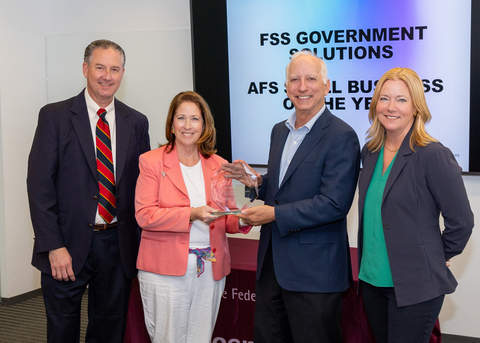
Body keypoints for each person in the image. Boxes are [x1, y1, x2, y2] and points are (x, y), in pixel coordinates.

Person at [222, 50, 361, 343]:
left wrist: (273, 214)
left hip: (315, 274)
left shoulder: (342, 135)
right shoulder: (279, 131)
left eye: (311, 78)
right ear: (285, 87)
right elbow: (286, 187)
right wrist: (258, 183)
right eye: (294, 79)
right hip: (272, 267)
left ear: (327, 86)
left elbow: (334, 204)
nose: (302, 86)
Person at [27, 39, 151, 343]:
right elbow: (39, 187)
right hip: (65, 246)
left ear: (123, 73)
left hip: (117, 244)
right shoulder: (54, 117)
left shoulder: (136, 122)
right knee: (62, 330)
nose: (106, 76)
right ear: (85, 69)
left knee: (109, 330)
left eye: (114, 69)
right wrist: (53, 246)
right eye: (99, 67)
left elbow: (143, 187)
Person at [357, 67, 474, 343]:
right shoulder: (370, 152)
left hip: (415, 287)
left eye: (401, 99)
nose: (391, 107)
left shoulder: (433, 155)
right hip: (372, 282)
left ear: (416, 107)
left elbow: (462, 221)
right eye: (384, 99)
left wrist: (434, 255)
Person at [134, 91, 252, 343]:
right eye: (181, 118)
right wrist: (191, 214)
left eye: (195, 119)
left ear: (204, 125)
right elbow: (145, 215)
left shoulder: (219, 164)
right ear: (172, 124)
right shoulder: (151, 162)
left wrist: (245, 218)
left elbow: (227, 217)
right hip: (164, 271)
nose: (188, 126)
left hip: (208, 267)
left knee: (200, 338)